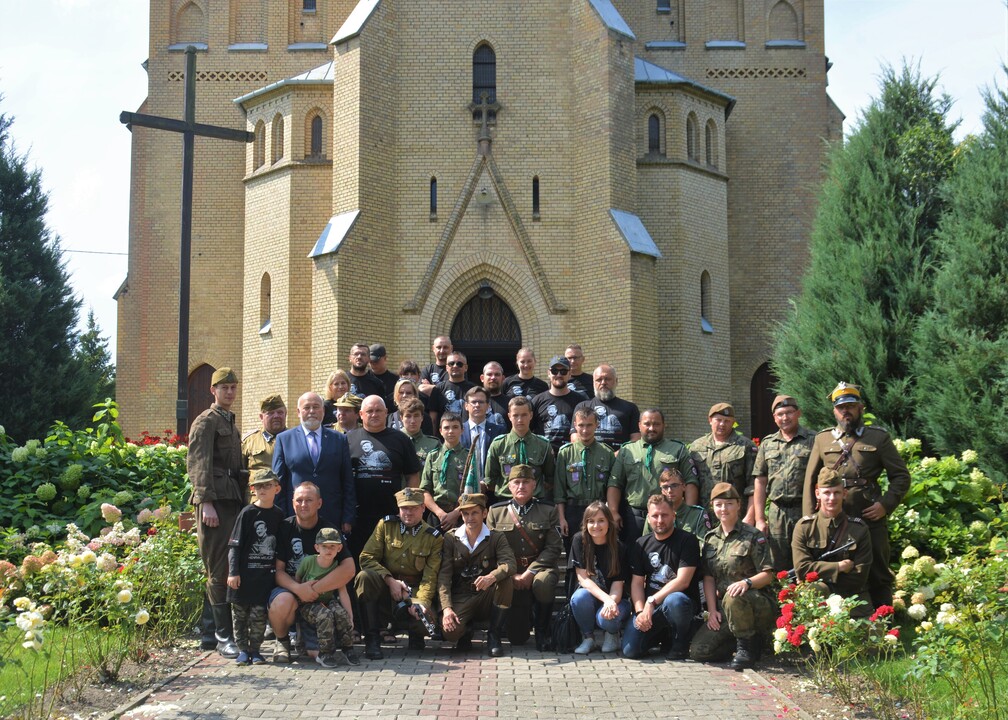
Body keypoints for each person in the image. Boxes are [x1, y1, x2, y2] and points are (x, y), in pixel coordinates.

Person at [802, 382, 910, 608]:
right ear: (834, 411)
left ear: (861, 408)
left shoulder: (878, 438)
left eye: (850, 406)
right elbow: (810, 481)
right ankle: (836, 621)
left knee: (878, 572)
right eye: (841, 407)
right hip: (832, 519)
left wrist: (885, 505)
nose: (846, 411)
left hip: (868, 516)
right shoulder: (822, 439)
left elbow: (901, 476)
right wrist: (810, 519)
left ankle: (885, 624)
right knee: (833, 569)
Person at [187, 366, 244, 658]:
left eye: (233, 388)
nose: (230, 392)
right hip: (214, 502)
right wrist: (205, 502)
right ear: (213, 390)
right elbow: (198, 464)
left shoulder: (229, 421)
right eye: (224, 388)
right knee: (218, 568)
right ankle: (222, 637)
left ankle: (210, 634)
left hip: (231, 499)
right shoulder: (205, 421)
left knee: (225, 564)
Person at [690, 483, 775, 670]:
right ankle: (748, 644)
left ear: (738, 505)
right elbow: (709, 578)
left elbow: (768, 575)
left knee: (733, 596)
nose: (724, 509)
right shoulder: (711, 539)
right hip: (726, 608)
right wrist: (712, 610)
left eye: (729, 503)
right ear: (713, 507)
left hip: (755, 603)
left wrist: (747, 583)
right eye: (719, 504)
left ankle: (746, 648)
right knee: (699, 651)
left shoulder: (753, 536)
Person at [268, 482, 356, 663]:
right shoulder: (284, 528)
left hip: (320, 597)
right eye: (299, 500)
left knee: (315, 653)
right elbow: (278, 571)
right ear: (292, 503)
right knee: (282, 601)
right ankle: (282, 641)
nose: (303, 504)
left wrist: (314, 590)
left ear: (319, 503)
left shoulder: (329, 531)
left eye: (309, 500)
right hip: (291, 590)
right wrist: (299, 589)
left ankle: (308, 639)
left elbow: (349, 569)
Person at [356, 487, 444, 657]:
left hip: (415, 589)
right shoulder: (386, 526)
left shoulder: (433, 537)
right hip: (387, 586)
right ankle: (372, 639)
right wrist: (389, 580)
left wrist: (421, 601)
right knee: (364, 577)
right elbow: (366, 558)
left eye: (413, 508)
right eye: (404, 508)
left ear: (423, 508)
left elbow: (430, 577)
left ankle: (416, 634)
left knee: (425, 622)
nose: (408, 512)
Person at [487, 465, 562, 650]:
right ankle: (507, 626)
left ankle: (543, 631)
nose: (521, 486)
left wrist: (531, 571)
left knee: (543, 582)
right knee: (517, 638)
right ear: (509, 486)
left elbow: (553, 547)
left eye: (526, 482)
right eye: (517, 482)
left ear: (534, 485)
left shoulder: (548, 510)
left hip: (539, 568)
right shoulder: (496, 512)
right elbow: (490, 550)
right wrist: (510, 573)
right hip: (510, 571)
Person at [622, 494, 701, 660]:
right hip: (653, 611)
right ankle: (662, 636)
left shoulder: (687, 540)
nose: (659, 520)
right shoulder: (640, 544)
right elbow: (637, 583)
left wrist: (651, 601)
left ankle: (680, 642)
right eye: (655, 516)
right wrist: (640, 612)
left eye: (664, 515)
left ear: (674, 515)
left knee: (675, 600)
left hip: (679, 605)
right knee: (631, 651)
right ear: (648, 518)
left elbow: (683, 581)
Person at [438, 493, 516, 656]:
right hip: (462, 595)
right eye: (466, 513)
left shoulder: (495, 537)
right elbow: (444, 576)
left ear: (484, 513)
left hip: (486, 593)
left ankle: (494, 635)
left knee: (505, 581)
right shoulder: (451, 538)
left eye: (474, 513)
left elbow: (509, 564)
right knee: (450, 633)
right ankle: (466, 631)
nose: (470, 518)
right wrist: (446, 608)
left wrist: (491, 577)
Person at [346, 395, 423, 559]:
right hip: (358, 517)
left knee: (389, 561)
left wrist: (407, 506)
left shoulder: (401, 439)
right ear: (361, 414)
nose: (374, 414)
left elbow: (412, 475)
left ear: (386, 413)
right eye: (369, 411)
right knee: (359, 560)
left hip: (392, 514)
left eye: (378, 410)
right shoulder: (348, 440)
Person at [608, 409, 699, 542]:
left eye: (656, 424)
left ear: (664, 425)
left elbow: (690, 482)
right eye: (647, 424)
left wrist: (689, 514)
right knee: (633, 552)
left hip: (666, 516)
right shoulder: (627, 450)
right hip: (634, 518)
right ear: (639, 425)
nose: (652, 428)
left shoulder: (678, 449)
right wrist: (613, 512)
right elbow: (615, 483)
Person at [747, 395, 816, 572]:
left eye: (789, 413)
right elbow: (760, 481)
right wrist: (760, 519)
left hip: (805, 509)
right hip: (777, 513)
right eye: (780, 414)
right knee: (778, 564)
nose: (785, 418)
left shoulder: (813, 440)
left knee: (807, 559)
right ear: (774, 418)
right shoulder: (767, 443)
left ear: (798, 413)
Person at [272, 392, 356, 536]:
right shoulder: (284, 439)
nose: (312, 411)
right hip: (296, 516)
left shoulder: (339, 439)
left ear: (323, 411)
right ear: (298, 412)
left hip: (332, 515)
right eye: (307, 407)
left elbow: (347, 480)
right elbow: (278, 483)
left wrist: (348, 517)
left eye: (316, 407)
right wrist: (281, 516)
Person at [792, 468, 874, 616]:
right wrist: (838, 567)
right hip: (816, 598)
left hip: (852, 600)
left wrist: (817, 575)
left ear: (844, 494)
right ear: (818, 494)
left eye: (836, 492)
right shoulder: (804, 527)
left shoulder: (859, 529)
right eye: (827, 493)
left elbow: (860, 576)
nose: (832, 498)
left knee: (868, 630)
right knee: (815, 592)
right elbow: (802, 569)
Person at [226, 469, 285, 665]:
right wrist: (233, 572)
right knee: (240, 617)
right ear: (252, 489)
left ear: (277, 488)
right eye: (258, 486)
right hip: (243, 577)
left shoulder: (278, 515)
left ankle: (256, 650)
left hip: (263, 579)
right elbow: (234, 545)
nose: (263, 489)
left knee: (259, 617)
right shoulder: (247, 513)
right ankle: (243, 651)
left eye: (267, 485)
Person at [569, 502, 630, 654]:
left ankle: (612, 634)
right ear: (586, 524)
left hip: (617, 600)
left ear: (609, 522)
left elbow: (618, 587)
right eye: (591, 521)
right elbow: (583, 579)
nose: (596, 525)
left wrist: (610, 602)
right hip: (593, 597)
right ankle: (588, 638)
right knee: (579, 597)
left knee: (605, 618)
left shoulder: (619, 547)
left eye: (601, 520)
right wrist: (606, 599)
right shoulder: (579, 540)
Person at [295, 527, 357, 667]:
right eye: (324, 546)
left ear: (339, 548)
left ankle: (348, 648)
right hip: (308, 603)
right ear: (317, 547)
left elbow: (343, 592)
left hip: (328, 601)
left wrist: (350, 616)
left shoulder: (337, 566)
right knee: (325, 615)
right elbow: (297, 581)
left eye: (332, 546)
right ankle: (325, 652)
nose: (328, 550)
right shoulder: (308, 562)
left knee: (342, 614)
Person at [554, 407, 614, 549]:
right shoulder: (565, 453)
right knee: (573, 552)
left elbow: (612, 488)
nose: (585, 430)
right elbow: (559, 490)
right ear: (575, 425)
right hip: (573, 511)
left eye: (589, 425)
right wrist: (561, 518)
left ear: (597, 425)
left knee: (599, 551)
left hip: (598, 510)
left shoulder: (607, 453)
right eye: (581, 425)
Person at [484, 396, 556, 501]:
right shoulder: (498, 444)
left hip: (535, 501)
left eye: (524, 415)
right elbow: (490, 481)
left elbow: (550, 479)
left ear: (531, 415)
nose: (520, 420)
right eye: (515, 415)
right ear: (509, 416)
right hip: (506, 501)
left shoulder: (543, 445)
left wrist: (533, 491)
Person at [690, 402, 757, 510]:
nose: (722, 424)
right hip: (704, 514)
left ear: (733, 422)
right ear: (710, 420)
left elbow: (754, 485)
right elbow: (690, 483)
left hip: (735, 513)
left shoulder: (746, 446)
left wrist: (749, 516)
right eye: (718, 420)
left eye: (727, 421)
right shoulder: (696, 447)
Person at [421, 412, 473, 531]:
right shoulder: (433, 456)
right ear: (440, 431)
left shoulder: (469, 456)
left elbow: (473, 490)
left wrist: (455, 513)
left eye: (455, 427)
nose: (450, 431)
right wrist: (440, 513)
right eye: (446, 428)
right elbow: (425, 490)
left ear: (462, 430)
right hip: (437, 515)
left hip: (461, 514)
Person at [574, 364, 640, 452]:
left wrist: (618, 455)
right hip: (590, 457)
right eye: (599, 380)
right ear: (593, 382)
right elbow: (575, 437)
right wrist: (592, 455)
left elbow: (636, 439)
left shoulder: (630, 408)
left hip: (620, 458)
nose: (603, 383)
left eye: (607, 379)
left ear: (616, 381)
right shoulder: (582, 407)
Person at [530, 355, 589, 454]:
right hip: (544, 456)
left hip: (571, 456)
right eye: (554, 371)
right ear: (548, 373)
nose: (559, 374)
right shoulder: (537, 401)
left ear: (569, 374)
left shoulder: (580, 401)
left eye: (563, 371)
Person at [643, 467, 712, 541]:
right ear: (661, 490)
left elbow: (704, 544)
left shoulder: (698, 515)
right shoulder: (654, 516)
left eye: (674, 486)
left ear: (683, 486)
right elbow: (647, 542)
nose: (669, 490)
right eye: (665, 487)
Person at [459, 386, 506, 491]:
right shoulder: (458, 431)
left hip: (491, 489)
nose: (477, 405)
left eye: (481, 402)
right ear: (466, 406)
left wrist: (486, 483)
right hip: (463, 489)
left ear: (488, 406)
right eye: (473, 402)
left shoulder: (499, 431)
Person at [428, 351, 477, 429]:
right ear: (447, 367)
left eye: (459, 364)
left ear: (466, 368)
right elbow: (433, 419)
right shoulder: (438, 389)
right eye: (451, 363)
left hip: (468, 434)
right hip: (444, 435)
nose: (455, 366)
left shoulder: (474, 389)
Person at [242, 394, 287, 475]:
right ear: (261, 417)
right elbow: (238, 471)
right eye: (271, 413)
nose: (276, 416)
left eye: (280, 412)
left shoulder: (296, 439)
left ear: (285, 414)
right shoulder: (249, 441)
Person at [395, 396, 440, 464]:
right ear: (401, 418)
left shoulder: (434, 444)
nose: (412, 421)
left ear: (422, 418)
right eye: (408, 416)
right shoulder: (393, 441)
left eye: (416, 416)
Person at [479, 361, 510, 428]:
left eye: (497, 374)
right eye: (489, 374)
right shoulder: (474, 403)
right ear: (482, 378)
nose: (493, 377)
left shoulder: (510, 403)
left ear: (503, 379)